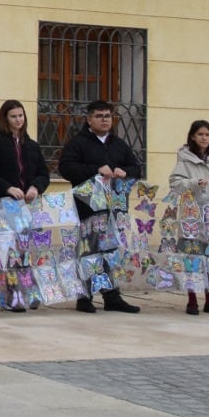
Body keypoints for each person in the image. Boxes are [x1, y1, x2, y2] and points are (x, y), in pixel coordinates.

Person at [58, 100, 142, 314]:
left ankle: (112, 296)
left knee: (110, 252)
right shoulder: (78, 143)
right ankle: (84, 297)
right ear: (89, 119)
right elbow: (66, 168)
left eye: (108, 115)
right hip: (87, 208)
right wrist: (95, 170)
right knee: (88, 252)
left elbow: (135, 168)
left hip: (113, 210)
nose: (104, 119)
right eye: (99, 116)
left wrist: (125, 171)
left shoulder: (118, 144)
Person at [168, 120, 209, 317]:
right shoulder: (184, 159)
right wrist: (195, 182)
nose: (204, 138)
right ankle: (192, 300)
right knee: (192, 258)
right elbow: (175, 183)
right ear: (192, 137)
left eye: (207, 134)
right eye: (200, 134)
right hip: (192, 216)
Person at [0, 99, 49, 203]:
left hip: (29, 203)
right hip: (2, 201)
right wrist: (7, 188)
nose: (18, 120)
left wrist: (35, 187)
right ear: (5, 118)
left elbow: (43, 174)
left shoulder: (32, 145)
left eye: (20, 115)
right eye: (13, 116)